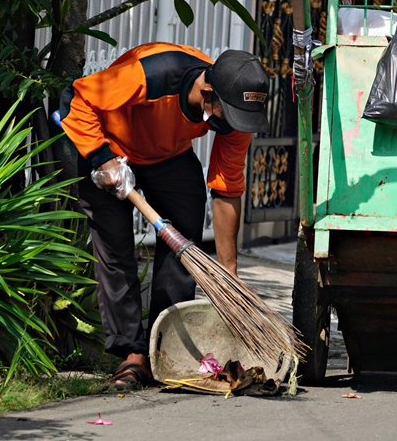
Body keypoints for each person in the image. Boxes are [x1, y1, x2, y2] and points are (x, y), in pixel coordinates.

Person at [52, 42, 271, 388]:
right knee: (116, 249)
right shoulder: (153, 73)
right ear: (207, 92)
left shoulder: (234, 109)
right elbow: (77, 99)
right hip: (110, 147)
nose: (232, 126)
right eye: (227, 116)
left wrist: (228, 271)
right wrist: (100, 157)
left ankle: (164, 347)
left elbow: (227, 186)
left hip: (168, 155)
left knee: (184, 240)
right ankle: (132, 354)